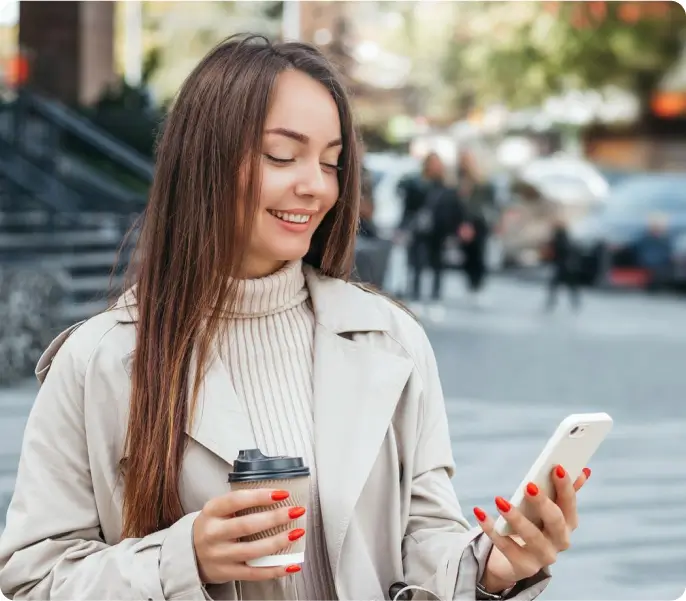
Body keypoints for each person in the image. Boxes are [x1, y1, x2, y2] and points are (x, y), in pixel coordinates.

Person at [0, 35, 592, 601]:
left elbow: (425, 538)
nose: (316, 187)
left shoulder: (389, 338)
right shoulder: (97, 360)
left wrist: (490, 568)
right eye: (283, 155)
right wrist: (185, 561)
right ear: (204, 160)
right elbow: (32, 576)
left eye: (332, 163)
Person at [398, 153, 462, 302]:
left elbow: (453, 209)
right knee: (416, 263)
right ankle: (415, 295)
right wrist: (402, 227)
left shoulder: (445, 186)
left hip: (439, 229)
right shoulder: (415, 183)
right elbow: (407, 208)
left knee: (437, 263)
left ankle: (435, 297)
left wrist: (453, 231)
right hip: (418, 228)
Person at [457, 151, 494, 306]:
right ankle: (471, 285)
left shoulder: (482, 181)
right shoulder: (458, 180)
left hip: (479, 223)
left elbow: (489, 201)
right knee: (467, 256)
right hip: (463, 222)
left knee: (479, 255)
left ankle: (478, 286)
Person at [546, 216, 582, 311]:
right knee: (567, 286)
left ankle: (553, 302)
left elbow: (562, 251)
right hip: (565, 266)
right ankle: (574, 302)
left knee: (558, 285)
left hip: (563, 266)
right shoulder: (563, 237)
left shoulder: (560, 238)